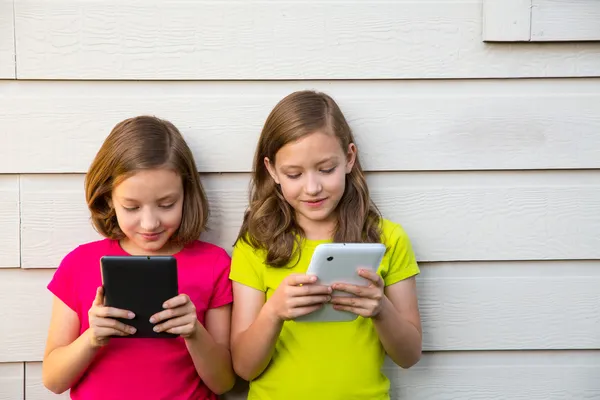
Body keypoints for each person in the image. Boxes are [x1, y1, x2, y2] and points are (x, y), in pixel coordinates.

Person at [229, 90, 423, 400]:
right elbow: (243, 367)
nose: (312, 187)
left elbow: (410, 355)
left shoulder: (387, 239)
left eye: (326, 169)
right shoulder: (256, 245)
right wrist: (274, 312)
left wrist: (381, 310)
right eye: (294, 174)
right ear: (272, 170)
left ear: (349, 158)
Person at [42, 116, 235, 400]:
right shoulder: (80, 264)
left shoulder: (214, 264)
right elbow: (53, 380)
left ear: (186, 194)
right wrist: (92, 338)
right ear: (108, 198)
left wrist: (194, 332)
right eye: (131, 207)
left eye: (166, 204)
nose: (149, 223)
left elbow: (224, 383)